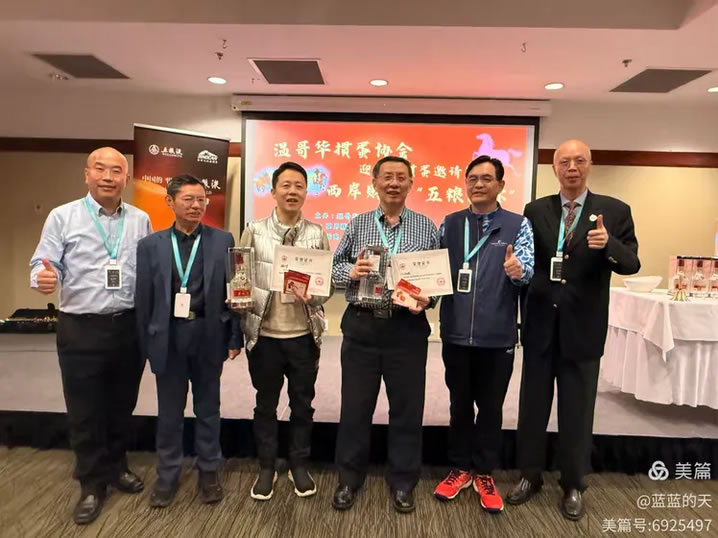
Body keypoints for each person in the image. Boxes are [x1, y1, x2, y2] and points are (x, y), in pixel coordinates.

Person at [506, 139, 640, 520]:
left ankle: (574, 483)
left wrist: (609, 244)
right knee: (532, 407)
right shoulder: (536, 210)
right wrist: (517, 269)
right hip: (540, 326)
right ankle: (529, 475)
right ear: (554, 168)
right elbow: (529, 260)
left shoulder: (614, 211)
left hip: (583, 328)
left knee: (577, 412)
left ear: (590, 164)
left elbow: (631, 263)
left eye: (579, 161)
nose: (572, 168)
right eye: (564, 162)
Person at [29, 147, 151, 524]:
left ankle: (117, 466)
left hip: (128, 325)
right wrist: (44, 278)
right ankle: (91, 483)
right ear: (87, 174)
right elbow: (44, 264)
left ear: (126, 178)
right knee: (85, 409)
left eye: (116, 171)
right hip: (80, 326)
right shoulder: (62, 216)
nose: (108, 177)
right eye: (100, 169)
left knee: (121, 404)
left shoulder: (141, 219)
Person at [331, 156, 439, 514]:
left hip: (406, 328)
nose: (394, 183)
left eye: (401, 177)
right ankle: (349, 479)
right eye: (387, 177)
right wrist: (352, 270)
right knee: (355, 408)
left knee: (407, 409)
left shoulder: (426, 226)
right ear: (374, 182)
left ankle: (403, 482)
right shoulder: (358, 223)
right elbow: (333, 268)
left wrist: (428, 300)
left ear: (411, 183)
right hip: (361, 326)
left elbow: (437, 279)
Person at [135, 174, 243, 508]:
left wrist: (234, 336)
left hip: (208, 335)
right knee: (170, 412)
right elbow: (143, 300)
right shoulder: (150, 245)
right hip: (168, 337)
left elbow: (234, 291)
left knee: (208, 409)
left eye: (201, 200)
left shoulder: (222, 240)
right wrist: (144, 346)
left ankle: (209, 471)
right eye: (188, 199)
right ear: (170, 202)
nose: (196, 206)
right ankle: (167, 474)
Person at [434, 155, 534, 512]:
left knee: (491, 407)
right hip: (456, 333)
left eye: (487, 178)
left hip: (498, 335)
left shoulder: (518, 225)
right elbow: (436, 272)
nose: (478, 184)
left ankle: (484, 472)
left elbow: (527, 271)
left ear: (501, 185)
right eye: (472, 178)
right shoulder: (450, 223)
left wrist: (518, 270)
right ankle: (460, 467)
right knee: (459, 404)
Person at [237, 161, 333, 501]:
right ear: (273, 191)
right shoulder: (254, 230)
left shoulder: (317, 233)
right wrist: (239, 299)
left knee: (302, 404)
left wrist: (313, 296)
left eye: (299, 186)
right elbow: (240, 276)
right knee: (265, 404)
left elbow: (326, 287)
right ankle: (266, 466)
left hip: (303, 335)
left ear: (307, 192)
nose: (292, 192)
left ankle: (298, 464)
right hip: (264, 335)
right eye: (286, 185)